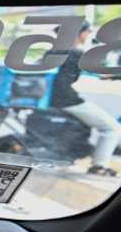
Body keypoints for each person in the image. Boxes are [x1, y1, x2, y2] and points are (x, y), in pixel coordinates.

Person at [51, 21, 121, 176]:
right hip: (66, 100)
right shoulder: (75, 53)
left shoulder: (52, 52)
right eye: (88, 31)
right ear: (79, 33)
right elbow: (103, 73)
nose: (89, 34)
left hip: (49, 98)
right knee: (112, 128)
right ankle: (99, 166)